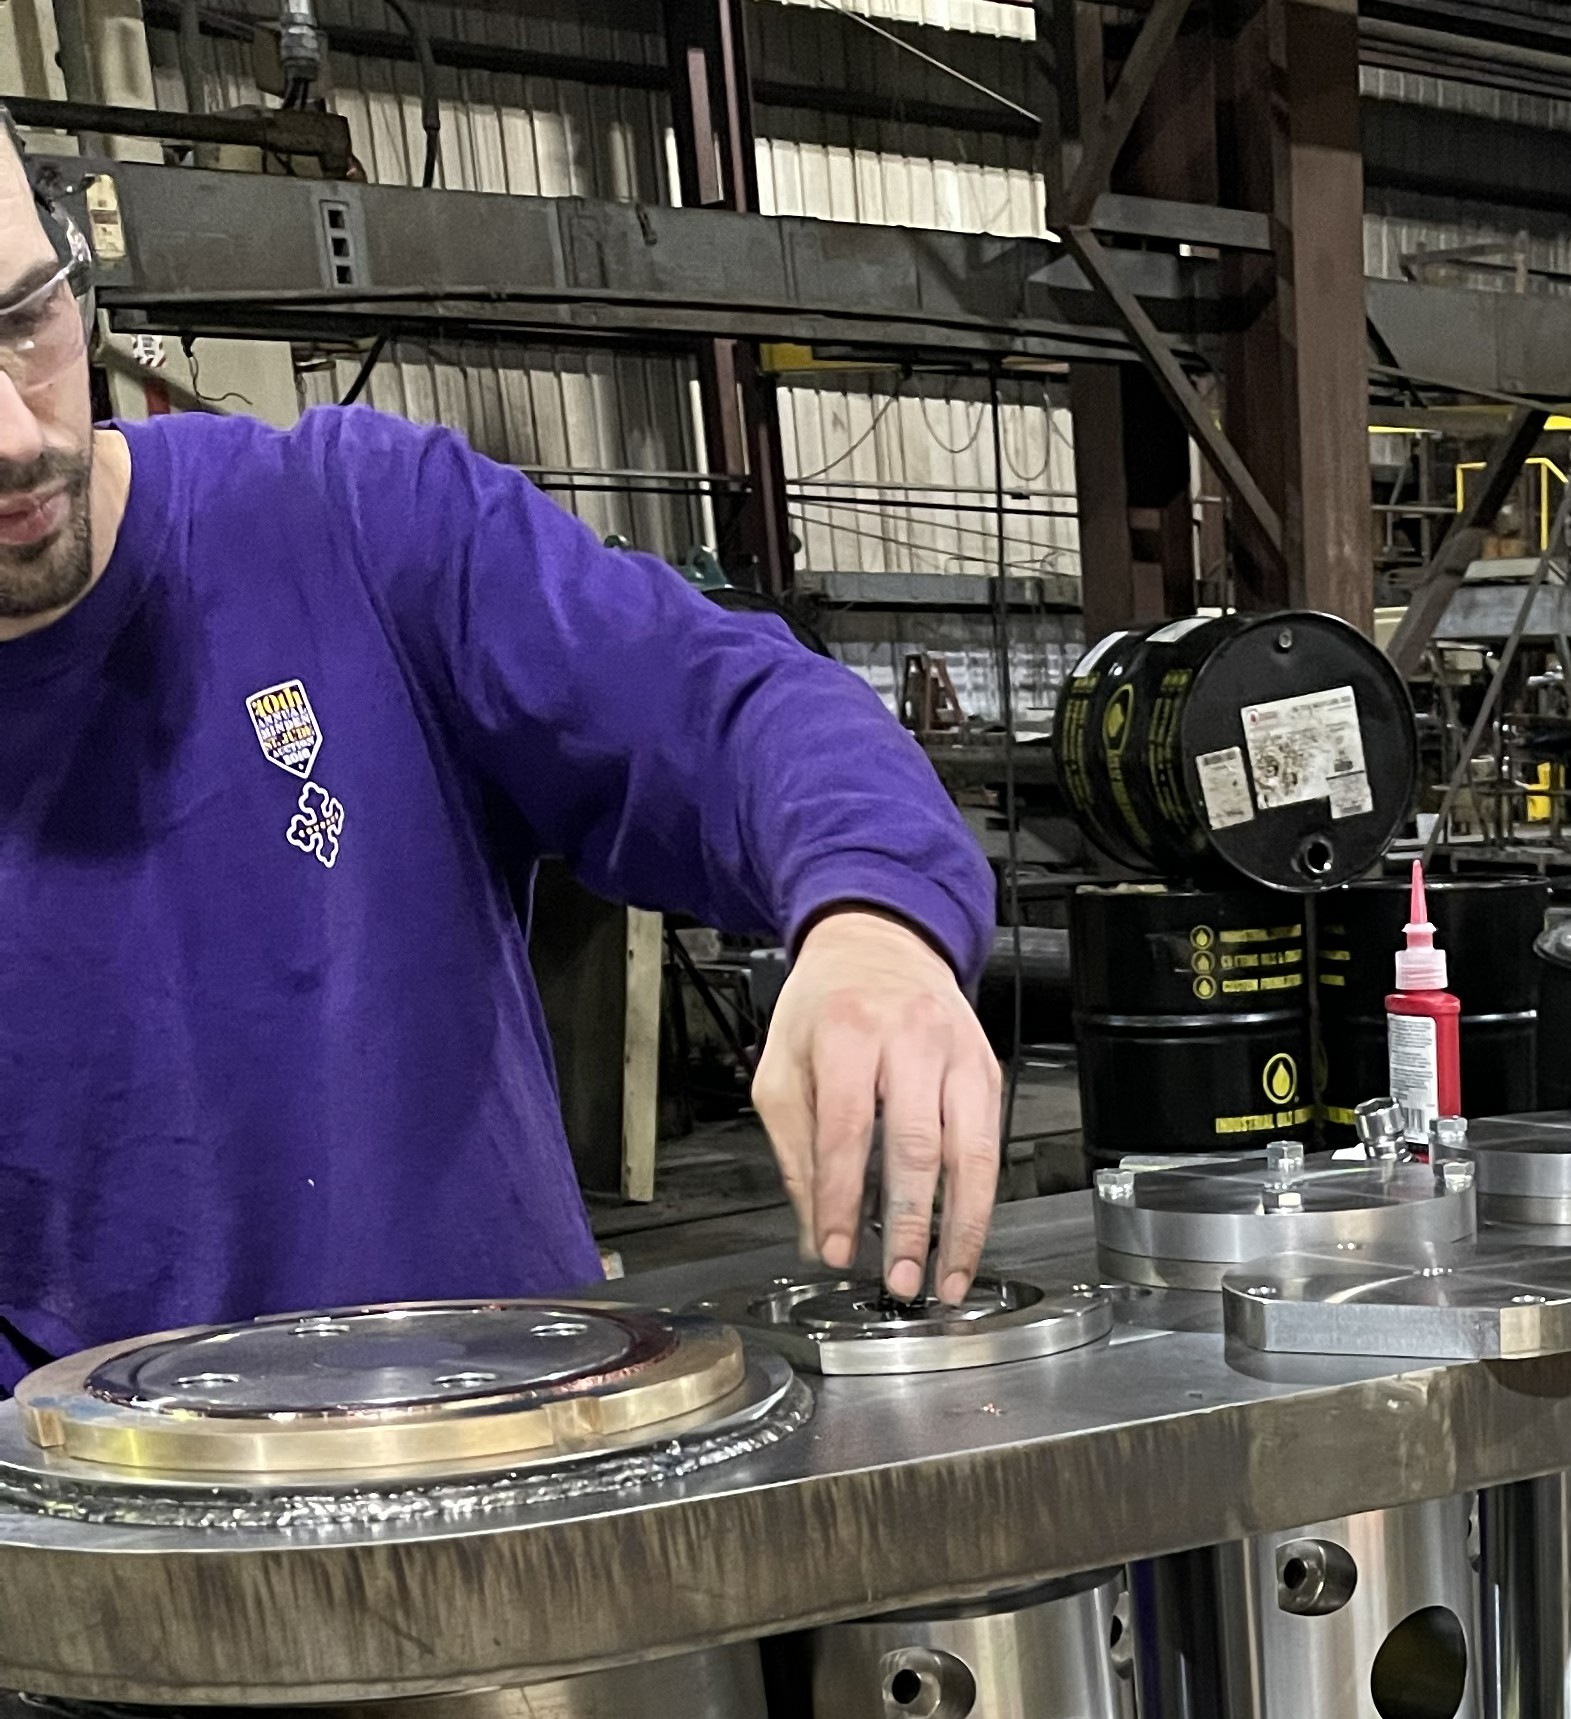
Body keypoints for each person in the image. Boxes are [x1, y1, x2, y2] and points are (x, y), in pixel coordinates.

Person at [0, 116, 1002, 1359]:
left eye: (26, 319)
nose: (15, 432)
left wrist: (877, 928)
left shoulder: (352, 526)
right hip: (105, 1535)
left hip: (523, 1484)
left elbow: (733, 709)